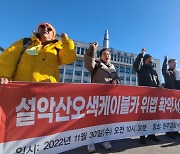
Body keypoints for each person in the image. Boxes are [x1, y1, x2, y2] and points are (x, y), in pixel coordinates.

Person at [0, 22, 76, 84]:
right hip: (21, 90)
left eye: (49, 29)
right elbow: (8, 57)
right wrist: (3, 75)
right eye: (42, 27)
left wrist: (67, 41)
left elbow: (69, 58)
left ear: (53, 35)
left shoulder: (57, 49)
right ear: (38, 30)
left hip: (45, 93)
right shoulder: (25, 42)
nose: (45, 29)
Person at [83, 42, 120, 152]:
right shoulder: (96, 65)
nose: (107, 55)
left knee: (105, 120)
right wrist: (92, 49)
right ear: (100, 56)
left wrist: (116, 81)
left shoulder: (113, 68)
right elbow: (88, 60)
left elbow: (118, 80)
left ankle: (105, 140)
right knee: (93, 120)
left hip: (109, 98)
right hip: (96, 97)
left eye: (108, 54)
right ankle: (90, 142)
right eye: (104, 53)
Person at [133, 48, 160, 144]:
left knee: (153, 116)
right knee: (143, 117)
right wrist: (141, 54)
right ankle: (142, 136)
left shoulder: (154, 72)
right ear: (145, 61)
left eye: (152, 61)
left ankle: (151, 135)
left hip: (154, 98)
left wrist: (159, 86)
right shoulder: (141, 69)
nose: (151, 62)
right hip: (144, 97)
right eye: (149, 60)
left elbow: (157, 82)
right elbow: (135, 65)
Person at [162, 56, 180, 138]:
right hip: (169, 95)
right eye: (173, 62)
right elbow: (163, 70)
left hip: (177, 96)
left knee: (176, 114)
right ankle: (168, 132)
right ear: (169, 64)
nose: (175, 64)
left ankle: (176, 130)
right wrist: (165, 60)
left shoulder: (178, 72)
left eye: (176, 62)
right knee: (169, 114)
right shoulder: (167, 72)